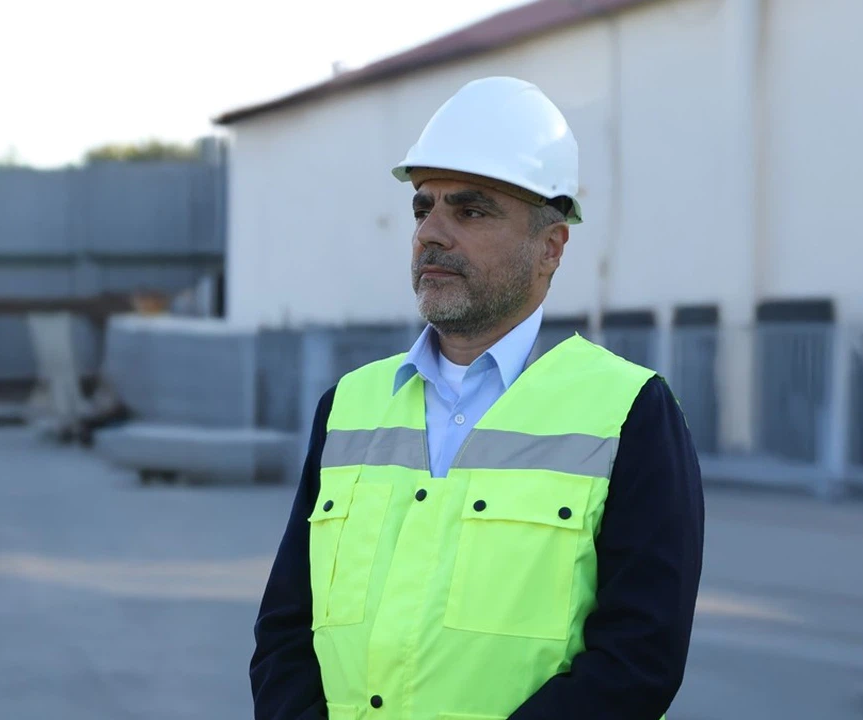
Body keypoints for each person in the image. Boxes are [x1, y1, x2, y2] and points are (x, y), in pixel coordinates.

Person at [250, 76, 704, 720]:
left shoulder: (630, 412)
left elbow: (638, 660)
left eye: (470, 211)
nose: (430, 234)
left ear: (550, 247)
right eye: (422, 209)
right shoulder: (348, 405)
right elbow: (285, 632)